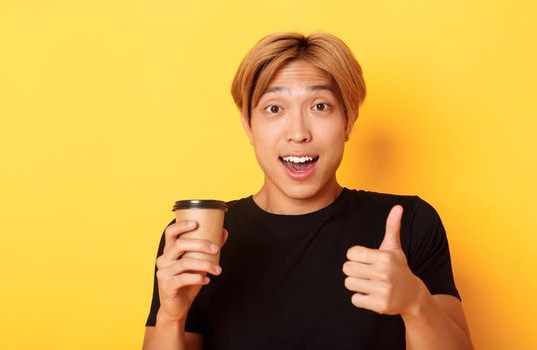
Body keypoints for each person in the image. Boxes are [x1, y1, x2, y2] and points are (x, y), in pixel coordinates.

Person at [142, 32, 473, 350]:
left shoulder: (410, 223)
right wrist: (171, 316)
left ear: (349, 121)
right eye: (274, 108)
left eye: (320, 106)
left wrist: (416, 303)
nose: (298, 133)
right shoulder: (199, 236)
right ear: (248, 125)